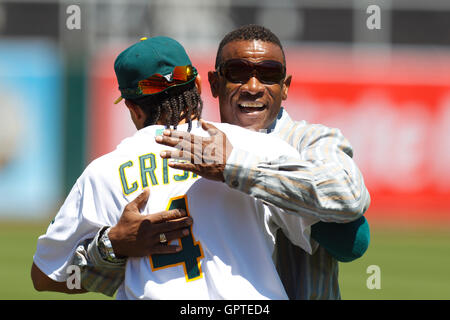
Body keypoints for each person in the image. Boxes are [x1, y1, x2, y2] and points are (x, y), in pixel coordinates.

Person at [31, 36, 319, 299]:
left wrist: (112, 246)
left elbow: (46, 275)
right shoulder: (256, 148)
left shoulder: (103, 173)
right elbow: (330, 231)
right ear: (197, 87)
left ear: (133, 108)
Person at [156, 24, 371, 299]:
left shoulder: (310, 140)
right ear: (214, 83)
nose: (253, 87)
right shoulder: (190, 148)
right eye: (238, 73)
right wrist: (111, 248)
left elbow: (348, 197)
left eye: (268, 75)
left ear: (285, 88)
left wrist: (234, 167)